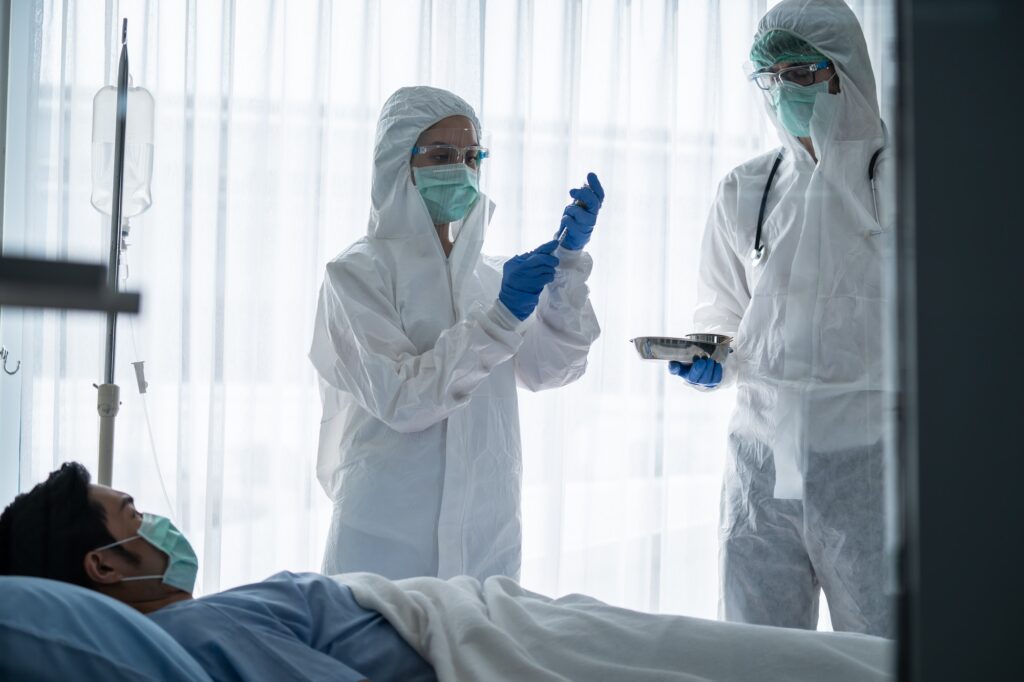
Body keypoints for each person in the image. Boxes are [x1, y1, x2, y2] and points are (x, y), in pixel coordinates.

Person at [0, 463, 894, 682]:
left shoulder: (200, 625)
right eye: (131, 515)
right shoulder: (196, 629)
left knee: (703, 651)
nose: (153, 518)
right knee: (712, 657)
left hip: (470, 616)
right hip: (481, 639)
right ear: (106, 565)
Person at [309, 86, 603, 581]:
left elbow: (552, 369)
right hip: (384, 543)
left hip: (485, 542)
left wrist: (566, 268)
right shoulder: (357, 275)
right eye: (442, 155)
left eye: (472, 156)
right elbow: (404, 399)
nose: (462, 170)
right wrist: (500, 319)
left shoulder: (490, 278)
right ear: (397, 163)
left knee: (478, 659)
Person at [669, 0, 892, 636]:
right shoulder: (747, 189)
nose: (782, 91)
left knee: (885, 651)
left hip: (873, 465)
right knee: (753, 652)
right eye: (770, 77)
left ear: (842, 70)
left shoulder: (913, 182)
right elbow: (722, 311)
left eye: (799, 73)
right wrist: (709, 356)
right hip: (759, 467)